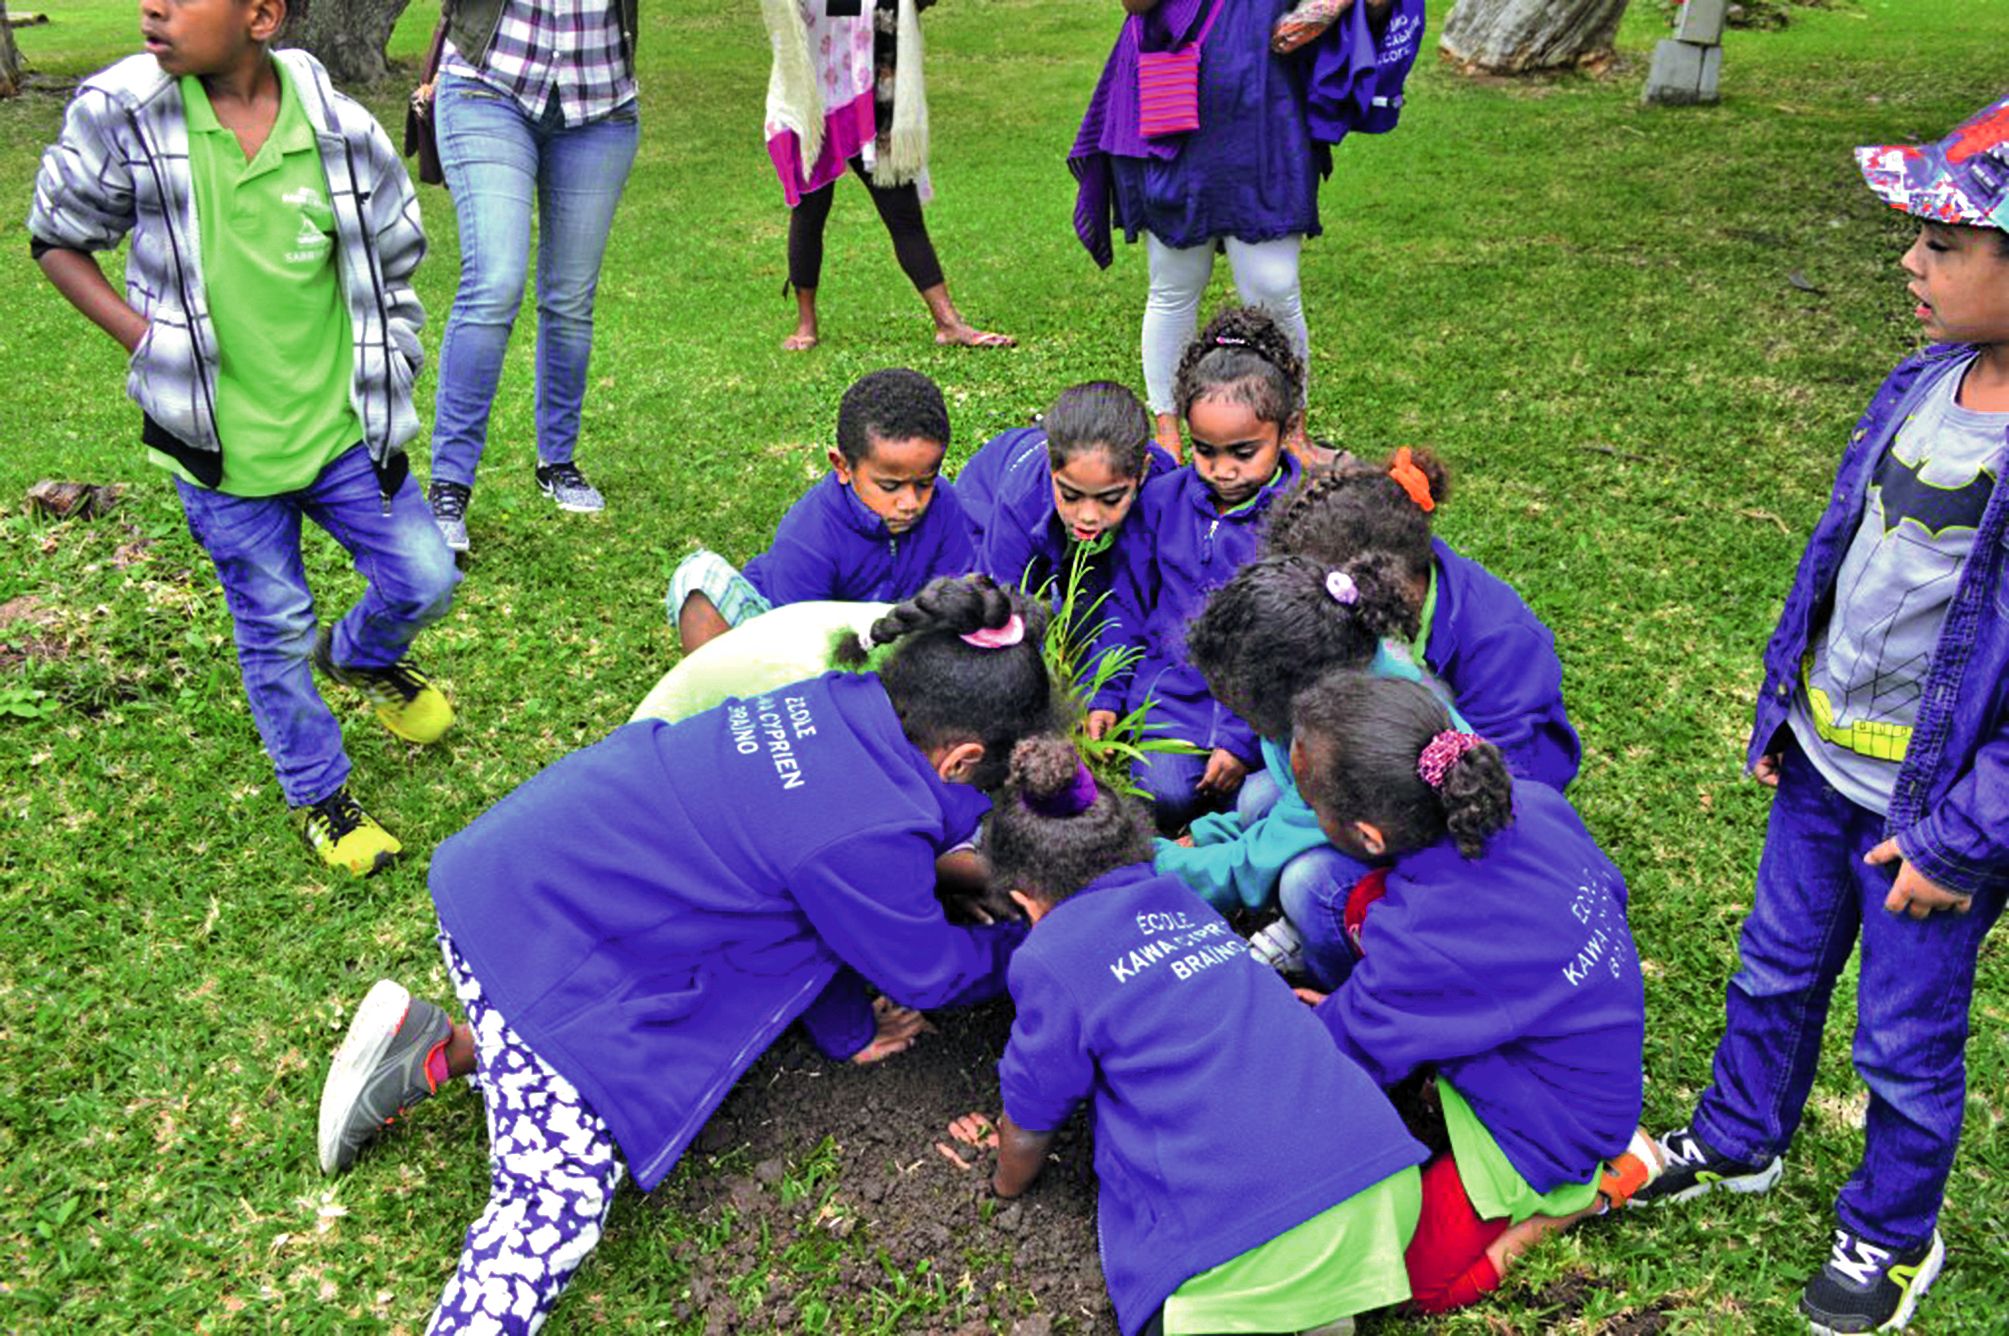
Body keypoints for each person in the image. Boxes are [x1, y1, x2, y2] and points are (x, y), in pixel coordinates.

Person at [317, 576, 1053, 1332]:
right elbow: (928, 969)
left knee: (663, 995)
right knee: (558, 1200)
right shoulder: (862, 829)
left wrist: (849, 1031)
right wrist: (1034, 939)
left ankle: (433, 1051)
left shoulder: (837, 701)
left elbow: (815, 910)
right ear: (961, 760)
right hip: (541, 935)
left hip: (536, 872)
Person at [1628, 101, 2009, 1335]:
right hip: (1819, 762)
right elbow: (1839, 560)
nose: (1908, 260)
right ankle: (1738, 1137)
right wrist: (1782, 704)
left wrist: (1960, 840)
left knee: (1900, 1039)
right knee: (1771, 966)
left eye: (1940, 243)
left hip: (1927, 823)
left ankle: (1892, 1232)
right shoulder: (1919, 383)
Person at [29, 0, 458, 876]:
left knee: (425, 577)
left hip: (342, 434)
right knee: (274, 626)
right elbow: (57, 235)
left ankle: (359, 657)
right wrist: (145, 340)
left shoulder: (336, 128)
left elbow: (395, 251)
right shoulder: (123, 113)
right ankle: (321, 795)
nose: (153, 6)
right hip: (220, 454)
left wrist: (393, 353)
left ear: (261, 15)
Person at [944, 734, 1428, 1336]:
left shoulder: (1050, 957)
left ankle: (1291, 1306)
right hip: (1381, 1185)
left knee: (1162, 1292)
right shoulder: (1183, 899)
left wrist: (1003, 1183)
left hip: (1248, 1246)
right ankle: (1329, 1299)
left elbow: (1034, 1111)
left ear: (1024, 899)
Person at [1291, 672, 1648, 1314]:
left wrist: (1311, 1035)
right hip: (1569, 1039)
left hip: (1556, 1127)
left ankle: (1589, 1196)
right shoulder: (1530, 803)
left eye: (1312, 806)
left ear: (1370, 835)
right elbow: (1613, 891)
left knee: (1406, 1284)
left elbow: (1339, 1066)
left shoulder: (1427, 940)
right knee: (1367, 902)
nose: (1312, 817)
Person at [1067, 0, 1420, 458]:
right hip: (1170, 93)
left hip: (1268, 108)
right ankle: (1168, 436)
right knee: (1174, 283)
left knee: (1275, 286)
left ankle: (1293, 433)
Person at [1173, 552, 1464, 988]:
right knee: (1258, 796)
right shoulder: (1342, 674)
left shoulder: (1349, 756)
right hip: (1383, 832)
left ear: (1285, 696)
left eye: (1238, 705)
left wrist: (1146, 862)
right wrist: (1210, 834)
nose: (1236, 715)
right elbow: (1292, 808)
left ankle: (1338, 982)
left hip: (1426, 905)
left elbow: (1247, 868)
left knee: (1308, 882)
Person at [420, 0, 642, 554]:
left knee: (570, 299)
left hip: (600, 101)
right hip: (488, 87)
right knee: (494, 283)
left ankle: (557, 461)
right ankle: (449, 485)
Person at [1267, 448, 1582, 792]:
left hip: (1489, 781)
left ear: (1379, 578)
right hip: (1398, 744)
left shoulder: (1498, 640)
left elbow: (1497, 769)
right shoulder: (1396, 590)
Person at [1100, 306, 1303, 832]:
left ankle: (1237, 819)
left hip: (1265, 714)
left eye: (1243, 452)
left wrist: (1240, 740)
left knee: (1259, 802)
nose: (1222, 470)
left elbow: (1294, 646)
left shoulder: (1301, 517)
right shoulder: (1161, 501)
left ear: (1287, 431)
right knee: (1165, 795)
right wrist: (1106, 693)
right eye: (1204, 450)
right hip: (1173, 699)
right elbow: (1126, 602)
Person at [666, 368, 975, 653]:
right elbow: (799, 646)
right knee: (697, 574)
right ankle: (717, 692)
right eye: (890, 486)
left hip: (893, 644)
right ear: (842, 466)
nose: (910, 503)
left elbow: (951, 598)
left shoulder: (944, 503)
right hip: (792, 640)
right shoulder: (808, 535)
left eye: (924, 482)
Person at [762, 0, 1011, 351]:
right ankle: (806, 324)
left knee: (902, 211)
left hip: (871, 97)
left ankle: (949, 323)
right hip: (809, 103)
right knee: (810, 212)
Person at [963, 382, 1172, 634]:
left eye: (1110, 499)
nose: (1088, 516)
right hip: (984, 513)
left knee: (1094, 621)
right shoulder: (1020, 502)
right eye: (1070, 496)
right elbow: (994, 607)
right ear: (1050, 466)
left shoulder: (1165, 486)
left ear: (1143, 471)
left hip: (1080, 544)